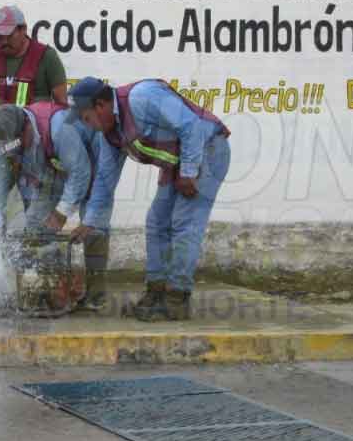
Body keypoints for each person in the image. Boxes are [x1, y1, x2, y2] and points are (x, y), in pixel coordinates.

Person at [70, 77, 232, 321]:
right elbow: (104, 182)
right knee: (156, 222)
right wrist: (89, 222)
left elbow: (192, 127)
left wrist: (189, 172)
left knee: (184, 222)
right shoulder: (109, 135)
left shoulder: (142, 97)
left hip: (207, 149)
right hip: (177, 162)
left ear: (100, 106)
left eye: (86, 118)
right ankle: (156, 293)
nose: (88, 126)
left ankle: (177, 298)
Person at [0, 99, 124, 311]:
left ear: (27, 126)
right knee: (36, 225)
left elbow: (80, 173)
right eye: (11, 146)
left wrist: (61, 212)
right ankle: (50, 289)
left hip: (94, 156)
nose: (17, 149)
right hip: (54, 164)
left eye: (19, 143)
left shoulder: (59, 127)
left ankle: (96, 294)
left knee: (94, 222)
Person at [0, 5, 69, 232]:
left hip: (33, 147)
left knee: (37, 213)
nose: (2, 42)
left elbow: (62, 106)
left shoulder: (46, 57)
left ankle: (41, 251)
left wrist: (58, 151)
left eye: (7, 35)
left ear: (23, 29)